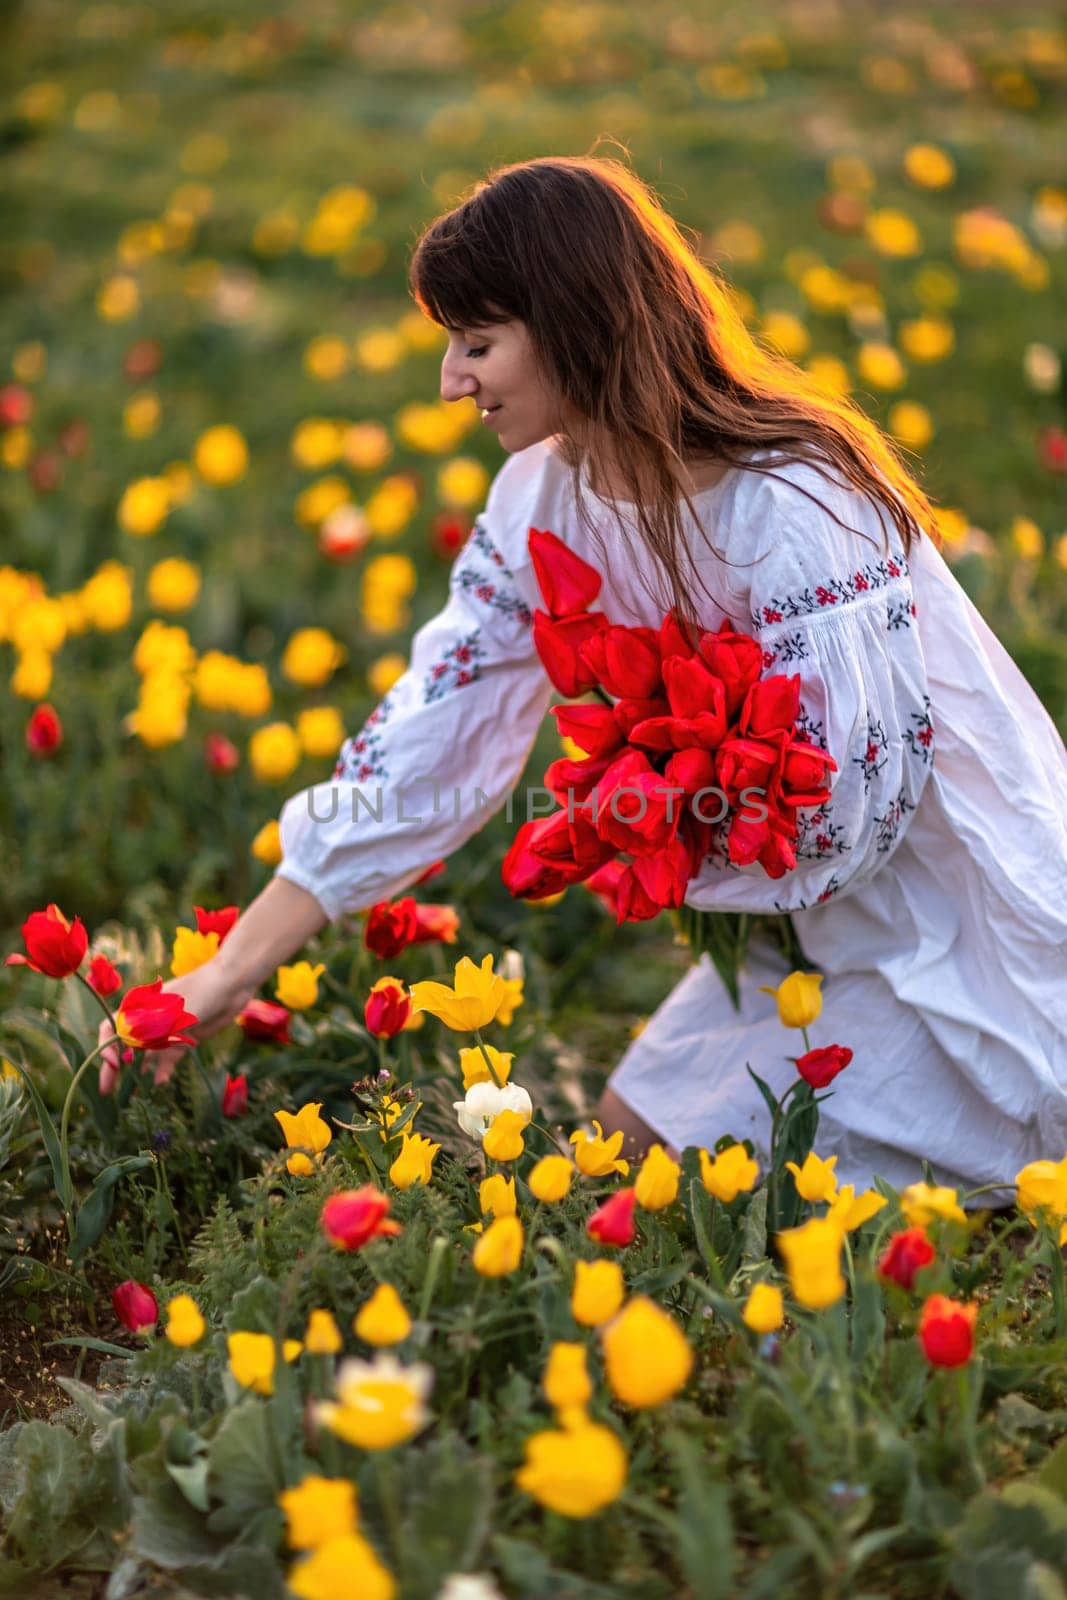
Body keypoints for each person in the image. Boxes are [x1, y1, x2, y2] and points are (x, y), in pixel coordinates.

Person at [101, 155, 1067, 1198]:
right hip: (800, 920)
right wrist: (221, 975)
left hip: (951, 896)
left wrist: (645, 819)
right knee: (634, 1137)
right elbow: (429, 738)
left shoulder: (797, 501)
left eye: (477, 344)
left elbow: (852, 811)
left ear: (576, 323)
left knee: (994, 1134)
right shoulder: (541, 500)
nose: (449, 381)